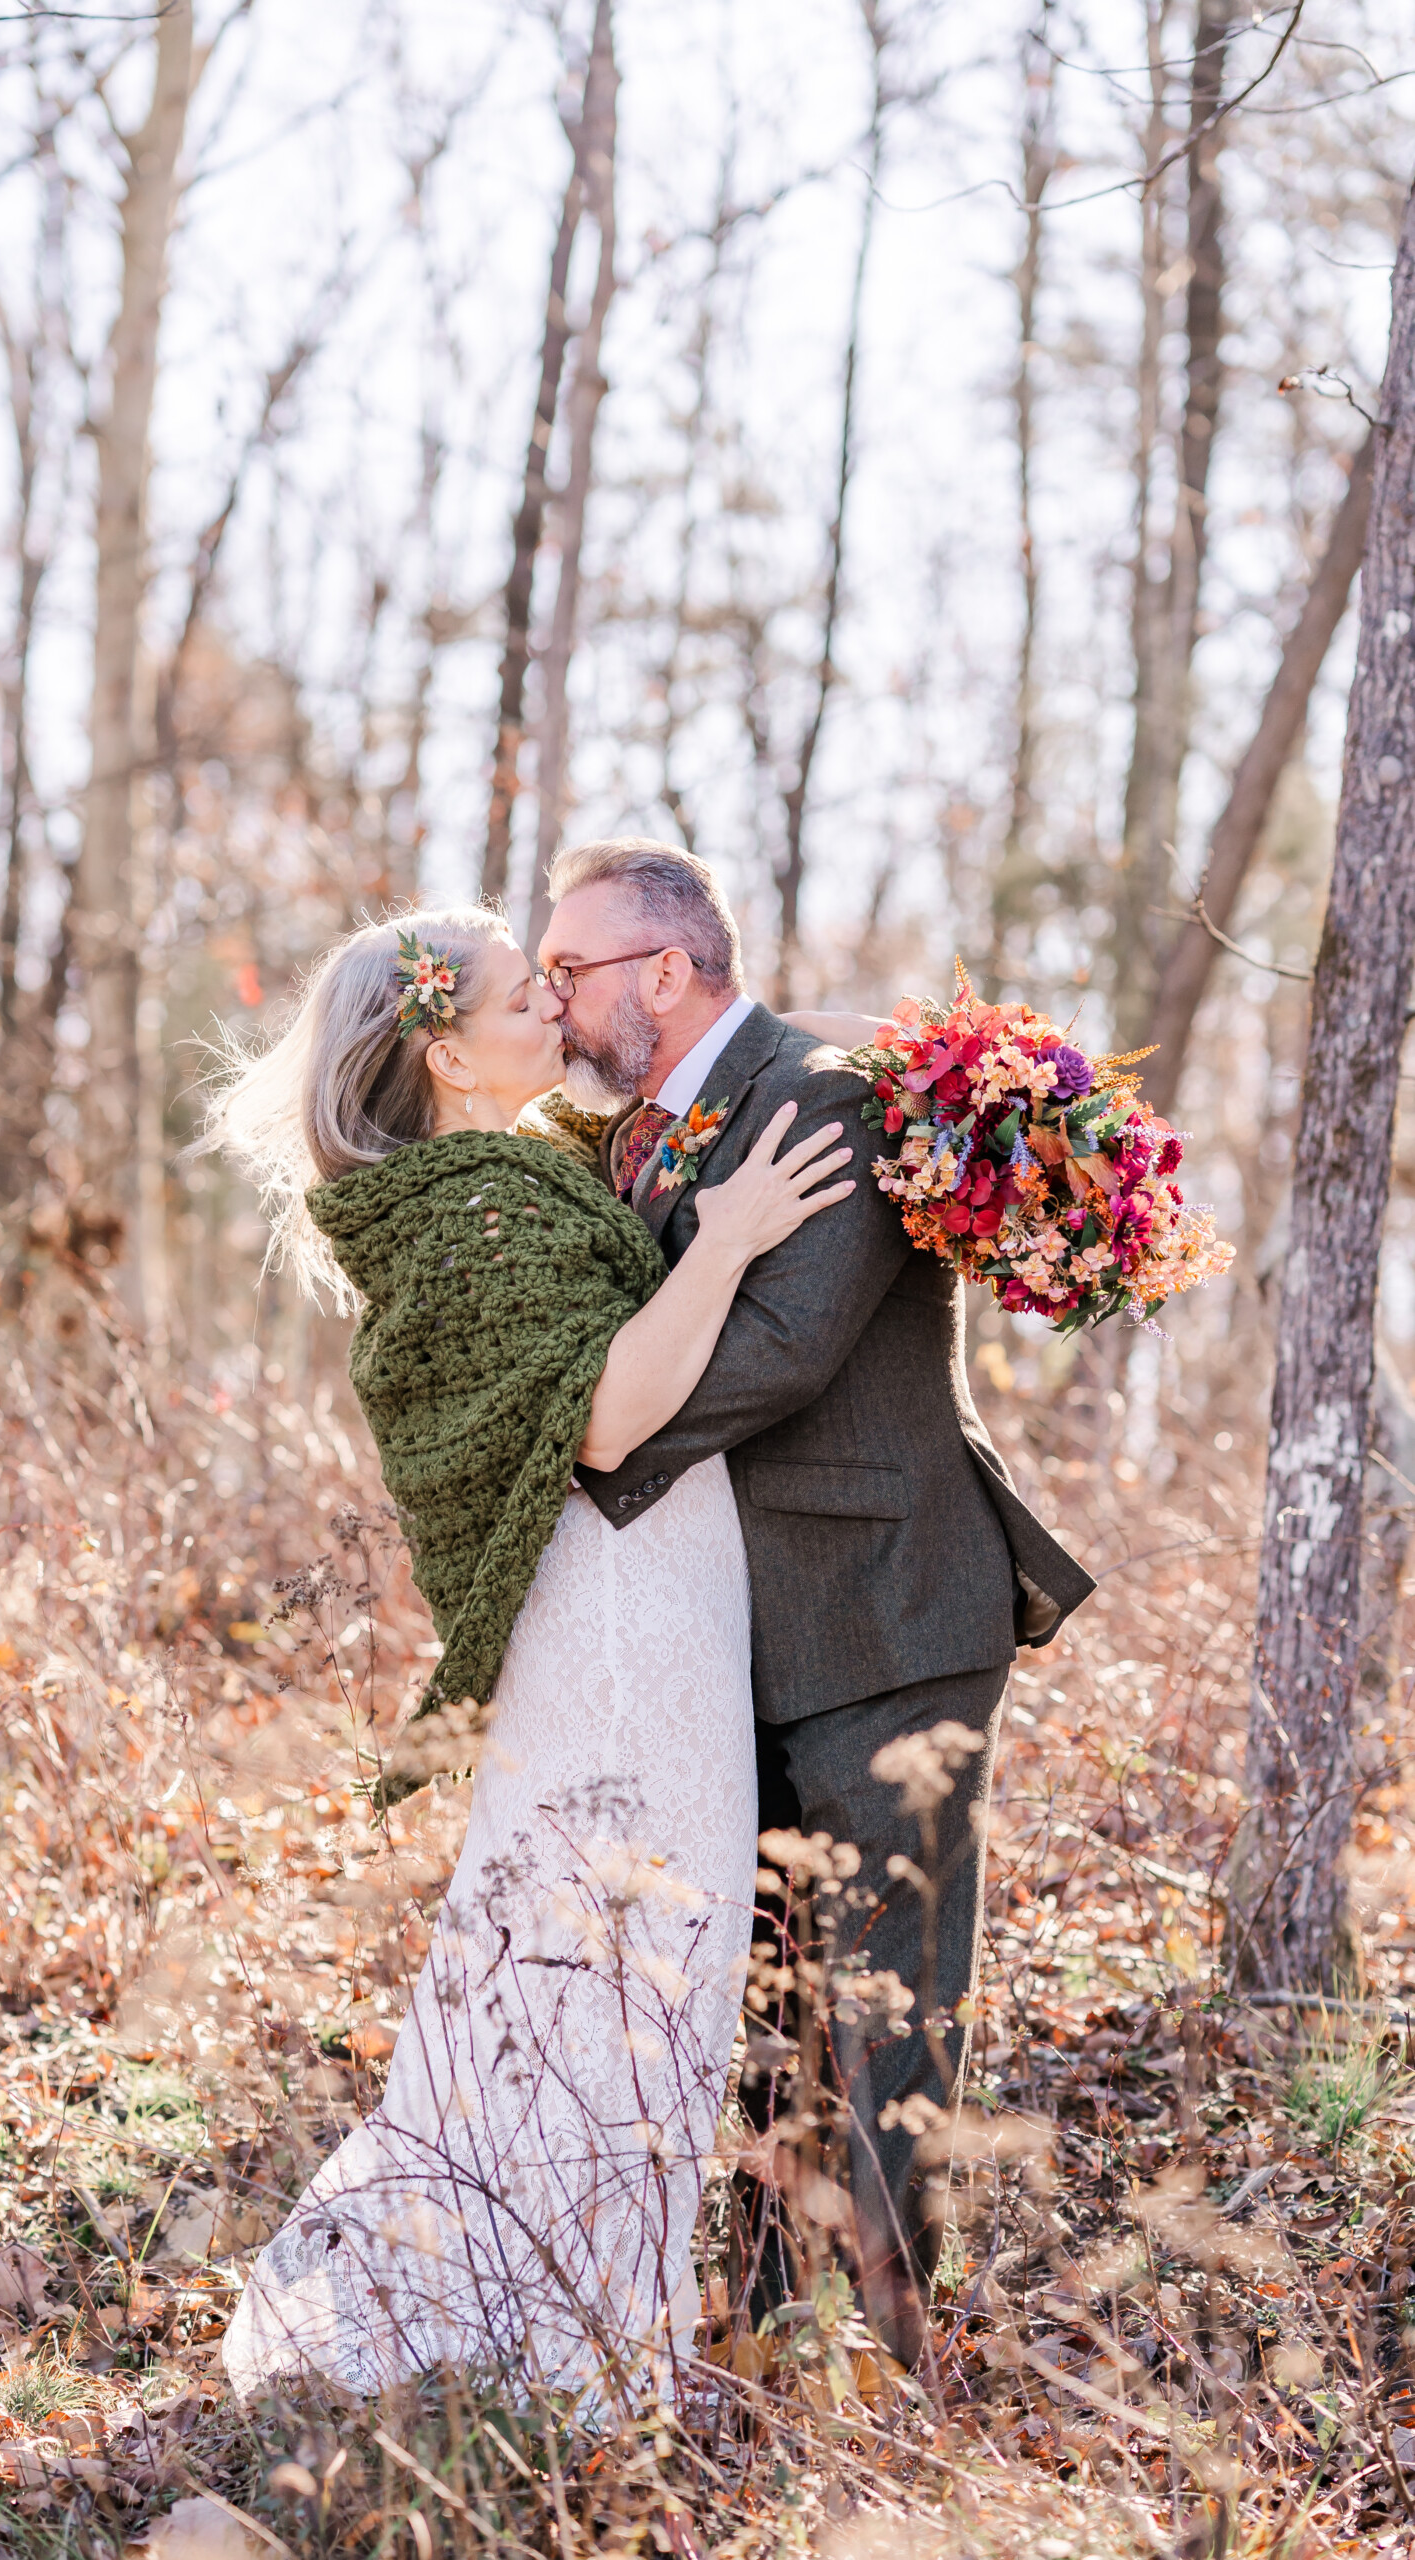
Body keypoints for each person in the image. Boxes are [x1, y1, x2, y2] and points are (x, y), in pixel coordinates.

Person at [206, 907, 853, 2405]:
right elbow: (610, 1415)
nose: (559, 1016)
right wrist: (739, 1238)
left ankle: (562, 2329)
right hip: (618, 1619)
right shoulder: (470, 1206)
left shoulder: (527, 1168)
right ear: (447, 1050)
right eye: (525, 998)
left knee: (631, 1972)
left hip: (657, 1598)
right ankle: (547, 2352)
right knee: (617, 1972)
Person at [538, 838, 1095, 2369]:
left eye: (567, 968)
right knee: (771, 2000)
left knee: (895, 2008)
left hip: (892, 1616)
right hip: (744, 1638)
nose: (550, 999)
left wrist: (578, 1455)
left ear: (666, 967)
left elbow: (780, 1350)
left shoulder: (823, 1096)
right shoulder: (641, 1136)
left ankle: (912, 2354)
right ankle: (773, 2332)